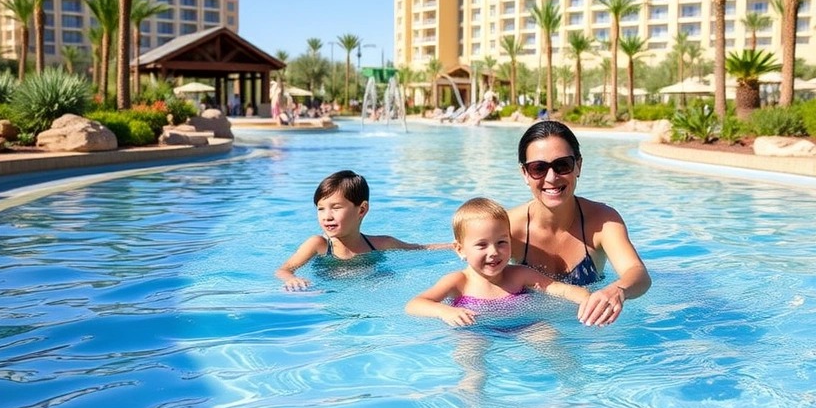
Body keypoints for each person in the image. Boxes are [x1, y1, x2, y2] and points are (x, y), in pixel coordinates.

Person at [509, 120, 652, 327]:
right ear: (525, 174)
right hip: (531, 329)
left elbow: (638, 274)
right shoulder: (509, 227)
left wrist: (617, 290)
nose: (551, 178)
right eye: (538, 168)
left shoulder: (603, 220)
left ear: (578, 166)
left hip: (589, 328)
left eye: (562, 165)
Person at [406, 197, 589, 327]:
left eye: (502, 243)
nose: (493, 252)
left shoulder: (519, 275)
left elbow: (560, 288)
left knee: (550, 337)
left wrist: (588, 299)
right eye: (482, 245)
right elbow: (415, 304)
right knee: (470, 355)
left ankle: (569, 376)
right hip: (474, 330)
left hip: (523, 325)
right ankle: (471, 381)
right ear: (460, 249)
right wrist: (445, 312)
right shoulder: (458, 282)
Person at [275, 170, 443, 290]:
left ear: (361, 210)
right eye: (320, 209)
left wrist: (455, 245)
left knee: (386, 276)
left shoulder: (381, 244)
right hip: (328, 291)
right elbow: (284, 270)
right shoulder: (318, 245)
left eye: (336, 207)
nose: (327, 216)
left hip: (369, 289)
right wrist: (292, 279)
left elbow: (419, 249)